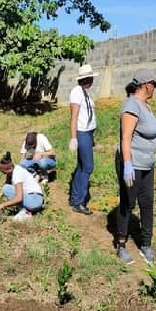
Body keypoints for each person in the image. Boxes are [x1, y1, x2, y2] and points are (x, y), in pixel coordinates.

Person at [115, 68, 156, 265]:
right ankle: (121, 245)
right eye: (153, 84)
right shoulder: (131, 105)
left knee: (147, 202)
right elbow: (125, 138)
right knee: (128, 202)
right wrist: (127, 164)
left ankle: (145, 244)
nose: (154, 88)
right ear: (145, 85)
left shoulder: (146, 106)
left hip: (148, 164)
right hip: (132, 164)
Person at [68, 64, 99, 215]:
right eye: (91, 77)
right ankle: (79, 201)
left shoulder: (84, 93)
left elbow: (87, 117)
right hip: (81, 133)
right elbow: (74, 116)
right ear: (86, 78)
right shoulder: (76, 92)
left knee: (81, 166)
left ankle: (75, 199)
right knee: (88, 167)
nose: (92, 79)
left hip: (87, 134)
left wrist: (91, 136)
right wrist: (74, 137)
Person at [0, 152, 44, 222]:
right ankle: (27, 211)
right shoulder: (16, 169)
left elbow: (19, 198)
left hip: (34, 201)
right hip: (36, 200)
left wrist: (2, 205)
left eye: (4, 172)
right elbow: (7, 184)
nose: (4, 174)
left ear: (8, 170)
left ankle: (25, 213)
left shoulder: (17, 175)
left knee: (6, 188)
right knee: (6, 187)